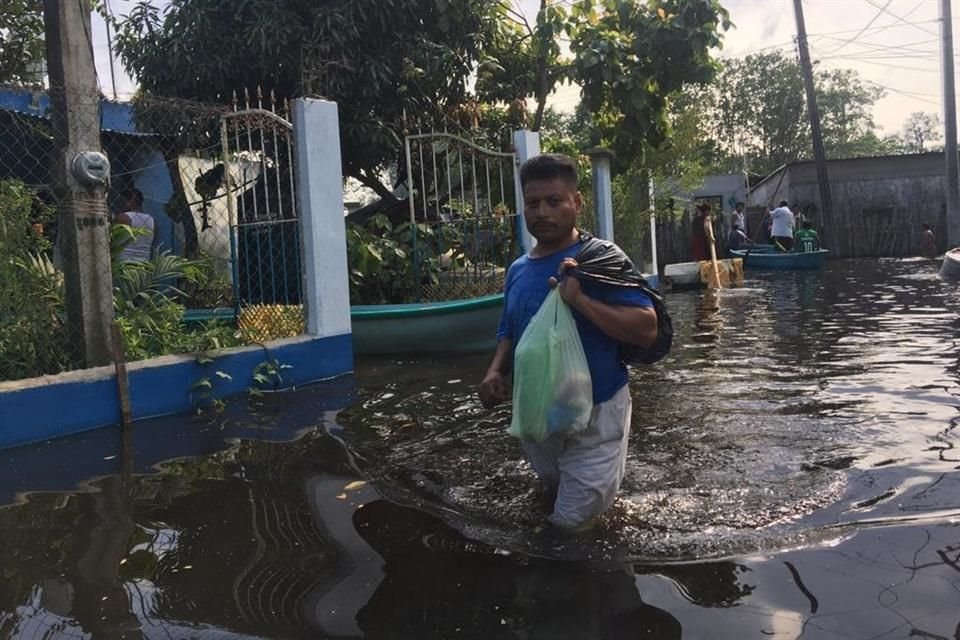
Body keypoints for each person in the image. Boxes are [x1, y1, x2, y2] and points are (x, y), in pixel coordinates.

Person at [478, 153, 658, 532]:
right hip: (538, 408)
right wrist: (495, 371)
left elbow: (646, 328)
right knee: (553, 490)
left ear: (577, 203)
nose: (542, 212)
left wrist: (580, 301)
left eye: (554, 201)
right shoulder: (518, 269)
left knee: (570, 526)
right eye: (532, 203)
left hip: (597, 412)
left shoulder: (602, 258)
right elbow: (510, 329)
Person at [114, 188, 155, 262]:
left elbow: (113, 239)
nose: (120, 205)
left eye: (123, 201)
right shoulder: (151, 220)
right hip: (144, 262)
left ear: (132, 200)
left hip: (124, 261)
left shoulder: (124, 217)